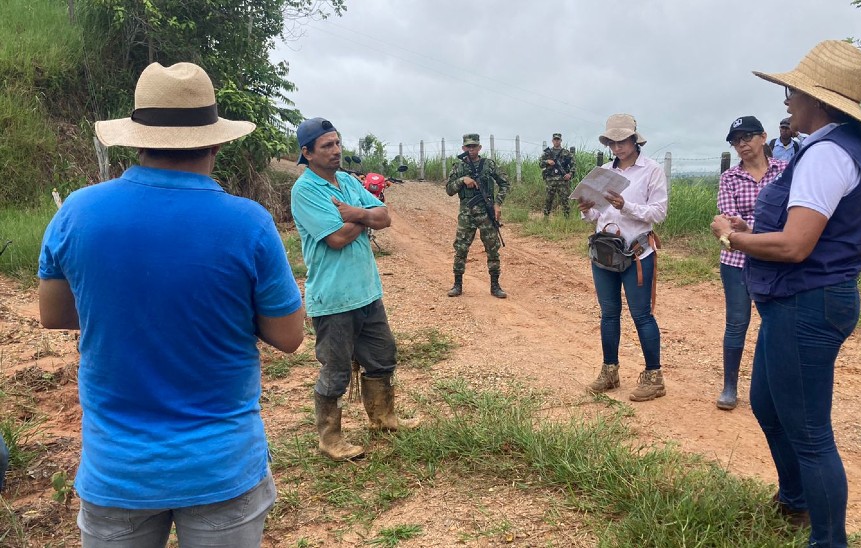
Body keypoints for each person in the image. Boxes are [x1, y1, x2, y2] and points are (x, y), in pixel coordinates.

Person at [37, 62, 305, 547]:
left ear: (135, 136)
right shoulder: (249, 223)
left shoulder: (77, 211)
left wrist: (124, 311)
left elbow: (53, 314)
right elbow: (288, 337)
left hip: (118, 470)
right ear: (218, 141)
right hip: (220, 466)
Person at [711, 41, 861, 547]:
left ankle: (828, 538)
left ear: (819, 100)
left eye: (794, 90)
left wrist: (734, 237)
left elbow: (794, 245)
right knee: (766, 404)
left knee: (811, 435)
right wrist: (753, 230)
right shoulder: (836, 149)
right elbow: (801, 229)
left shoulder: (826, 154)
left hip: (806, 303)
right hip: (799, 301)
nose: (787, 99)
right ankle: (794, 500)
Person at [291, 117, 419, 463]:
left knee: (382, 357)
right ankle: (330, 439)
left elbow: (386, 216)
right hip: (333, 299)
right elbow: (335, 239)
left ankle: (383, 419)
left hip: (366, 291)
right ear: (307, 153)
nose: (336, 151)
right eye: (326, 146)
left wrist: (354, 213)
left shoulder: (347, 180)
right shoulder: (305, 191)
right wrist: (364, 217)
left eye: (337, 143)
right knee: (336, 371)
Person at [581, 114, 668, 402]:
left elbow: (659, 213)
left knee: (642, 315)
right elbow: (597, 215)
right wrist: (586, 209)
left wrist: (626, 205)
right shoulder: (604, 171)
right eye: (612, 142)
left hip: (637, 251)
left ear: (634, 139)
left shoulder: (651, 171)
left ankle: (654, 377)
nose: (617, 147)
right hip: (605, 251)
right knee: (608, 314)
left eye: (622, 141)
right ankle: (610, 372)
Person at [715, 115, 787, 410]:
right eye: (736, 140)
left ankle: (775, 387)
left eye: (746, 137)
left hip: (776, 259)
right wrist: (768, 228)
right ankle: (730, 385)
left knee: (777, 323)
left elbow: (793, 216)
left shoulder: (786, 171)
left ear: (762, 137)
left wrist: (751, 228)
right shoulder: (729, 178)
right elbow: (729, 224)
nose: (741, 144)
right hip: (736, 260)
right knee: (736, 323)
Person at [445, 133, 511, 298]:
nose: (471, 149)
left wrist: (498, 203)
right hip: (466, 214)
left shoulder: (488, 165)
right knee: (460, 248)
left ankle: (495, 286)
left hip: (486, 213)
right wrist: (462, 180)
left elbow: (504, 183)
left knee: (492, 248)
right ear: (463, 148)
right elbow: (449, 190)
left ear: (479, 147)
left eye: (474, 146)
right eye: (468, 147)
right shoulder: (458, 167)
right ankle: (457, 284)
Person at [539, 132, 576, 217]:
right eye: (555, 140)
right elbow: (540, 164)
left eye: (558, 140)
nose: (556, 141)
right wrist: (547, 161)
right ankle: (546, 218)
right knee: (548, 200)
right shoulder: (548, 153)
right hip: (550, 180)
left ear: (561, 140)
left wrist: (570, 174)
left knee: (565, 200)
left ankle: (567, 219)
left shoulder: (566, 153)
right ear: (552, 141)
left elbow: (574, 165)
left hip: (562, 180)